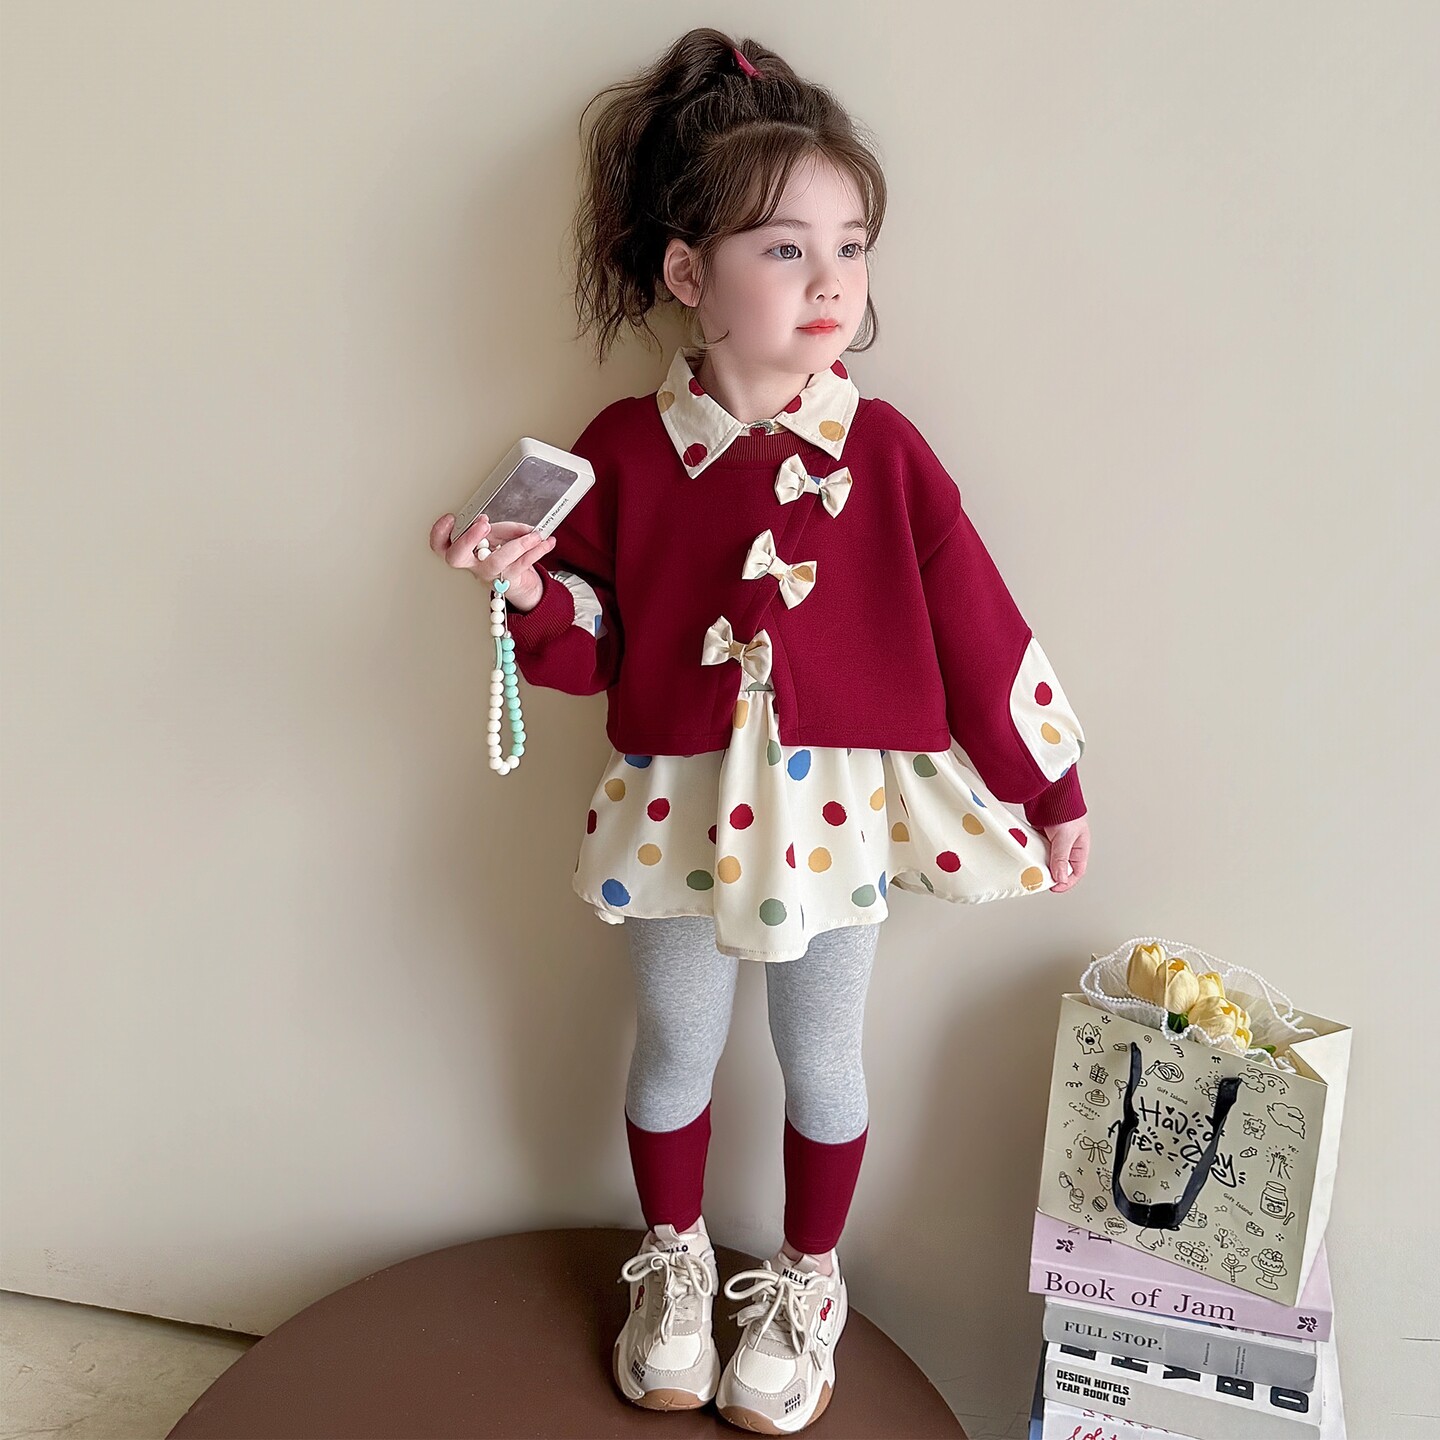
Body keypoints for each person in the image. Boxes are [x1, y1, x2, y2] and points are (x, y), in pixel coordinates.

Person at [429, 28, 1091, 1434]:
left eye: (852, 248)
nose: (833, 281)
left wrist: (1052, 782)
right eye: (787, 250)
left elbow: (978, 624)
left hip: (838, 812)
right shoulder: (621, 448)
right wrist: (529, 590)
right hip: (677, 797)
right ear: (690, 275)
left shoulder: (887, 451)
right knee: (674, 1044)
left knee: (822, 1055)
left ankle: (806, 1282)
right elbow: (591, 645)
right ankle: (673, 1263)